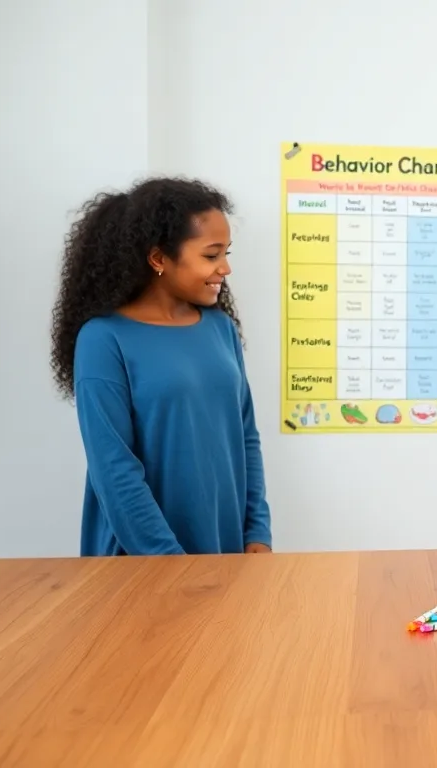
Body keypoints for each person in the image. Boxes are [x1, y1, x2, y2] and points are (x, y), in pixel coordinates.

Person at [50, 177, 272, 556]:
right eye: (211, 255)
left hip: (225, 546)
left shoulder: (220, 329)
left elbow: (246, 436)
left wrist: (257, 533)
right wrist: (168, 562)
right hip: (142, 558)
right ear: (158, 259)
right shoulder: (104, 339)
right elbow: (114, 469)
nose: (225, 268)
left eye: (226, 254)